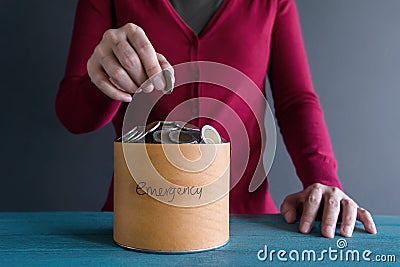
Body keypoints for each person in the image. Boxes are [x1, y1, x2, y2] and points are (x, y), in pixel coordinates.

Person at [56, 0, 377, 238]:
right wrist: (106, 76)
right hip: (136, 224)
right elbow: (73, 115)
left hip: (248, 228)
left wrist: (322, 179)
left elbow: (296, 102)